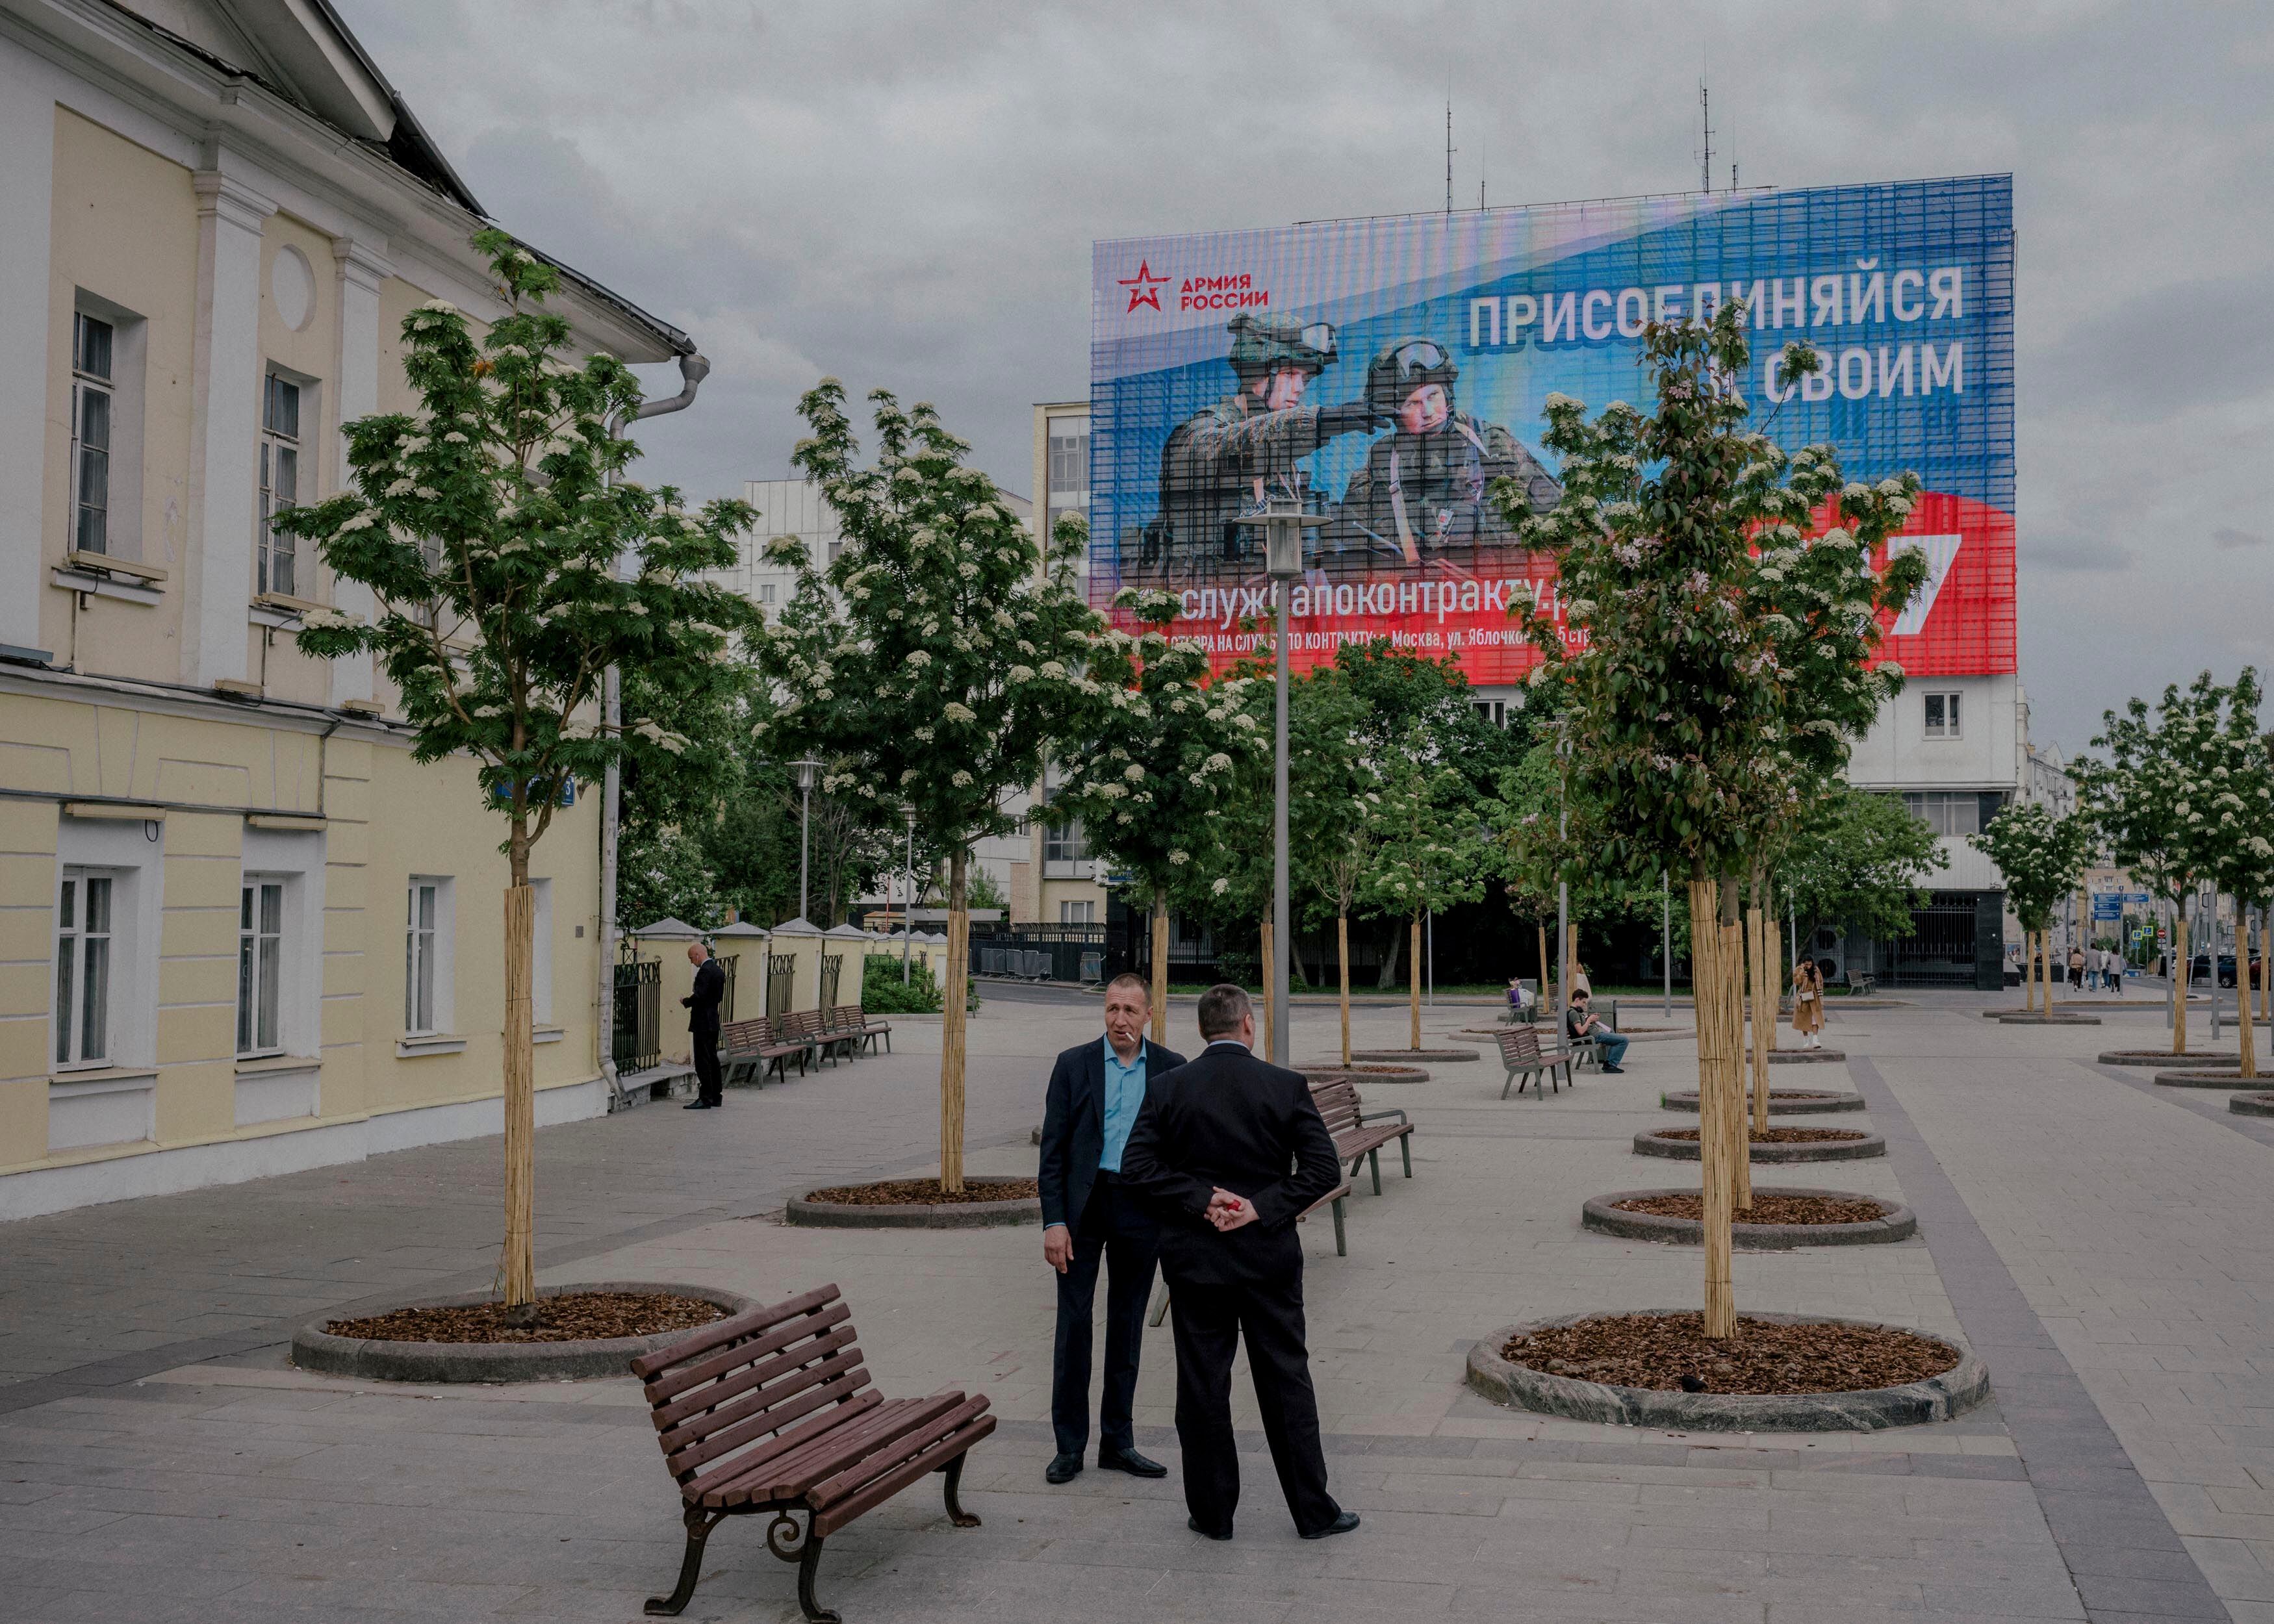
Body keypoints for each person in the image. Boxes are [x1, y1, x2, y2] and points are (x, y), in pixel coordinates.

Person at [1118, 984, 1357, 1543]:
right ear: (1249, 1025)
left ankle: (1213, 1513)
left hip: (1196, 1263)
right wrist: (1259, 1208)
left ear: (1203, 1030)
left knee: (1202, 1387)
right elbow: (1324, 1171)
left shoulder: (1168, 1087)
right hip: (1268, 1258)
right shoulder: (1285, 1085)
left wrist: (1203, 1197)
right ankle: (1313, 1513)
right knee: (1287, 1383)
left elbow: (1137, 1167)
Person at [1034, 973, 1187, 1486]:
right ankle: (1070, 1447)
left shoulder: (1171, 1069)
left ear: (1149, 1016)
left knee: (1126, 1327)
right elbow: (1052, 1153)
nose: (1120, 1019)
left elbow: (1181, 1151)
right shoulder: (1072, 1065)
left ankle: (1118, 1442)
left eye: (1130, 1010)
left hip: (1140, 1208)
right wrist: (1054, 1222)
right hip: (1084, 1208)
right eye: (1112, 1009)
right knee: (1074, 1325)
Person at [1143, 312, 1380, 581]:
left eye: (1305, 378)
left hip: (1266, 595)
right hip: (1203, 598)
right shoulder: (1199, 432)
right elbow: (1225, 447)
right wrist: (1323, 420)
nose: (1300, 387)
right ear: (1258, 372)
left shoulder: (1282, 457)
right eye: (1290, 374)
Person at [1325, 337, 1562, 569]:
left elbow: (1559, 519)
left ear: (1447, 393)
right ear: (1395, 412)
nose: (1428, 412)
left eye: (1433, 396)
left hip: (1498, 593)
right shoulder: (1384, 460)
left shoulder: (1491, 443)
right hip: (1420, 599)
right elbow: (1350, 545)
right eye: (1412, 404)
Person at [681, 941, 725, 1109]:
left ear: (698, 955)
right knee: (713, 1059)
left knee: (703, 1061)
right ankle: (716, 1096)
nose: (692, 962)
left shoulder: (704, 972)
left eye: (692, 958)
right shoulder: (718, 971)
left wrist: (685, 1001)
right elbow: (717, 997)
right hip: (713, 1019)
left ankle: (705, 1097)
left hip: (702, 1023)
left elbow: (699, 996)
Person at [1564, 989, 1628, 1072]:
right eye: (1583, 1002)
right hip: (1594, 1037)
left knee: (1612, 1032)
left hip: (1594, 1035)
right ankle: (1610, 1065)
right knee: (1624, 1040)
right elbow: (1580, 1031)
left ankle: (1609, 1063)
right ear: (1577, 1000)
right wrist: (1589, 1020)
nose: (1584, 1005)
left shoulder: (1576, 1012)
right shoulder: (1574, 1013)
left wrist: (1590, 1019)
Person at [1791, 958, 1825, 1050]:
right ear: (1803, 963)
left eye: (1810, 964)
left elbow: (1821, 981)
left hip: (1815, 997)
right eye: (1807, 964)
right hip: (1803, 997)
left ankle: (1815, 1040)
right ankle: (1806, 1040)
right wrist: (1801, 971)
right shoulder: (1799, 969)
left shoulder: (1816, 970)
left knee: (1816, 1018)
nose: (1809, 966)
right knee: (1804, 1018)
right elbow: (1797, 981)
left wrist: (1820, 993)